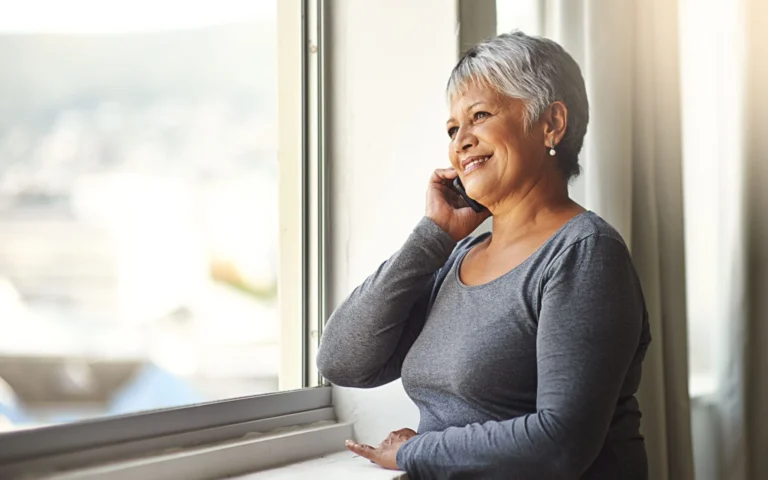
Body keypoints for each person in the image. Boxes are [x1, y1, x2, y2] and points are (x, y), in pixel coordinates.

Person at [316, 31, 650, 480]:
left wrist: (418, 452)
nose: (461, 141)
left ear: (551, 123)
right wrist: (433, 236)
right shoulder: (458, 257)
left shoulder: (585, 254)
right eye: (453, 129)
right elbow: (342, 361)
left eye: (480, 116)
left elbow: (561, 443)